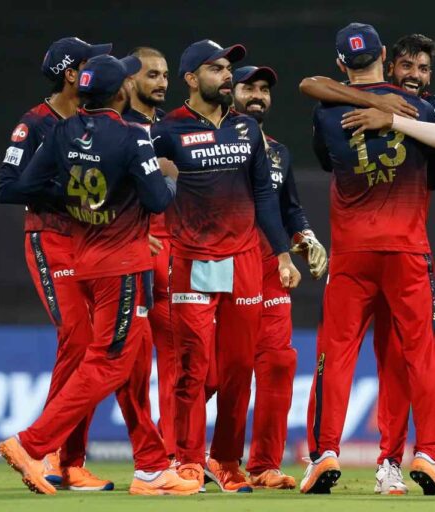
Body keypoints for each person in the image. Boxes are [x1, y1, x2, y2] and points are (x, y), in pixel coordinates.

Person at [0, 54, 199, 496]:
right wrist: (169, 177)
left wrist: (85, 201)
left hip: (86, 258)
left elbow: (25, 186)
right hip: (123, 266)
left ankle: (151, 468)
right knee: (108, 361)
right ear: (121, 91)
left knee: (134, 361)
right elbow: (158, 201)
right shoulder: (132, 136)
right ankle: (32, 444)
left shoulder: (62, 131)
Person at [299, 33, 435, 495]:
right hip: (407, 251)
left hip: (352, 253)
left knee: (335, 354)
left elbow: (325, 155)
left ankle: (324, 453)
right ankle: (427, 454)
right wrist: (392, 113)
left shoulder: (327, 112)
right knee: (417, 356)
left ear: (341, 63)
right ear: (386, 59)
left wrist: (378, 111)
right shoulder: (424, 108)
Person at [150, 39, 300, 492]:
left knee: (237, 368)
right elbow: (140, 184)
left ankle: (227, 460)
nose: (227, 75)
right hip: (192, 258)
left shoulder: (246, 129)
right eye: (216, 68)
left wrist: (282, 254)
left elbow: (265, 197)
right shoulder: (166, 130)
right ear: (191, 78)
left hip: (245, 261)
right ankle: (187, 460)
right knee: (193, 366)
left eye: (227, 68)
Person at [0, 36, 114, 492]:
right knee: (78, 338)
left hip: (93, 241)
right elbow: (6, 187)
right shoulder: (35, 123)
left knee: (93, 347)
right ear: (71, 74)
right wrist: (64, 190)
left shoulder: (96, 121)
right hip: (52, 240)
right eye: (90, 61)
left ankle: (71, 462)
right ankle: (46, 451)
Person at [223, 64, 327, 490]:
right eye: (249, 87)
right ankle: (194, 457)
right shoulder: (212, 142)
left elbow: (289, 209)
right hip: (222, 264)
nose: (258, 95)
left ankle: (263, 464)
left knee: (279, 362)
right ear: (230, 92)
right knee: (222, 368)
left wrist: (307, 237)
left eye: (264, 89)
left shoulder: (278, 153)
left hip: (270, 266)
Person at [123, 46, 176, 461]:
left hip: (175, 253)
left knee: (184, 360)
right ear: (129, 81)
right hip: (130, 254)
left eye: (164, 75)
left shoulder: (171, 129)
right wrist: (130, 235)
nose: (161, 82)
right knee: (126, 361)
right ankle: (64, 455)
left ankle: (172, 455)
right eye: (151, 74)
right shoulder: (116, 128)